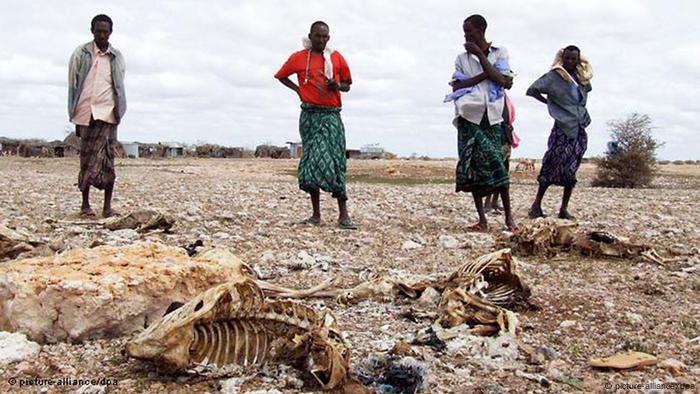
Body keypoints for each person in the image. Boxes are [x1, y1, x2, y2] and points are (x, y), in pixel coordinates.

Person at [274, 21, 357, 229]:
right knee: (312, 162)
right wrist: (298, 90)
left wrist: (336, 85)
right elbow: (281, 76)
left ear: (329, 38)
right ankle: (316, 215)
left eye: (325, 37)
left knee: (336, 161)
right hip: (310, 115)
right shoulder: (299, 58)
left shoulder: (336, 58)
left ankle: (343, 215)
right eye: (317, 36)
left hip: (332, 116)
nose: (321, 40)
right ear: (310, 36)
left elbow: (347, 85)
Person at [449, 14, 517, 232]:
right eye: (464, 31)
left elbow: (504, 82)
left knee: (498, 163)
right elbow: (457, 86)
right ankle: (482, 219)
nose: (466, 35)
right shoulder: (461, 59)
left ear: (480, 30)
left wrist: (480, 55)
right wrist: (488, 75)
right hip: (468, 116)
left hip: (493, 117)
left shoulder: (500, 53)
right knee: (475, 168)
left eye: (469, 31)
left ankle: (509, 219)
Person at [68, 14, 126, 218]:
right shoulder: (81, 54)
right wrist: (74, 115)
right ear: (92, 31)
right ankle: (85, 206)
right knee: (87, 160)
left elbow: (119, 86)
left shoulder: (117, 57)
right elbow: (73, 85)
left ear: (111, 32)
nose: (102, 35)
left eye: (106, 31)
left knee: (108, 161)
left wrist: (119, 111)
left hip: (108, 114)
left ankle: (107, 207)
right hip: (87, 113)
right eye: (98, 31)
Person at [526, 45, 593, 220]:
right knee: (551, 164)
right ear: (563, 59)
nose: (570, 62)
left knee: (571, 170)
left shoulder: (581, 78)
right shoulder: (554, 77)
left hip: (578, 127)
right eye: (567, 58)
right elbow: (532, 90)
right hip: (562, 128)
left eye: (574, 59)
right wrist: (550, 103)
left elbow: (584, 96)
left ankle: (563, 208)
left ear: (578, 60)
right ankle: (536, 205)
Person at [484, 93, 517, 214]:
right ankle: (488, 202)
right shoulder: (493, 95)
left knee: (504, 171)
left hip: (506, 137)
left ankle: (494, 201)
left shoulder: (503, 96)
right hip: (497, 137)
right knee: (495, 171)